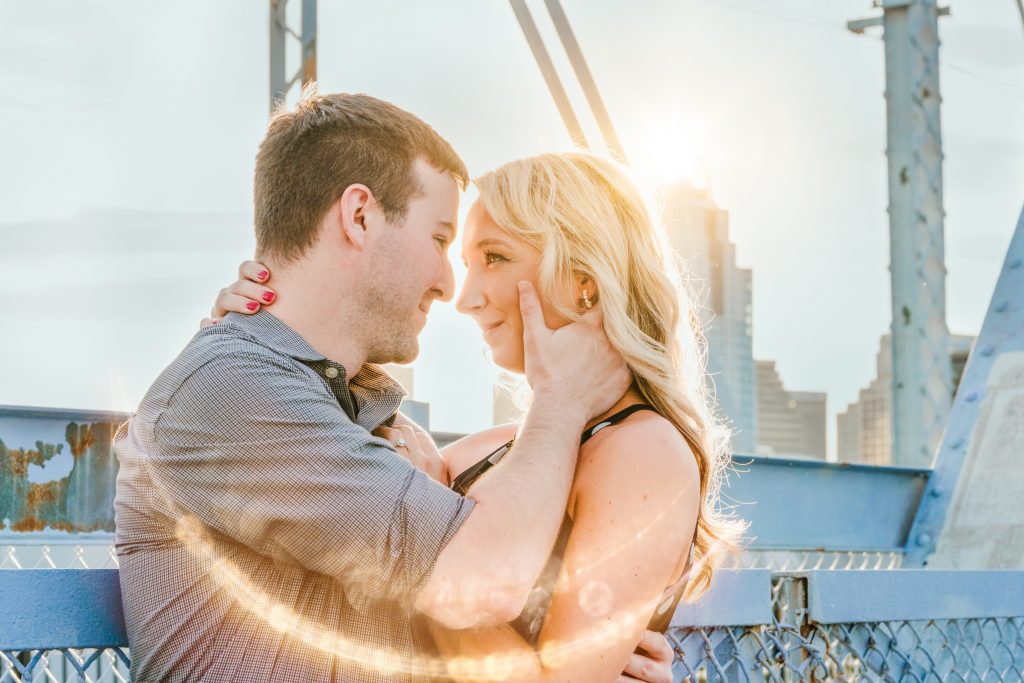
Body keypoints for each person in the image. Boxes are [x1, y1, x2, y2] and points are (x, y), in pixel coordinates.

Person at [115, 91, 676, 683]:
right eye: (440, 239)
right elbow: (480, 583)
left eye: (490, 256)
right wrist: (561, 399)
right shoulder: (229, 391)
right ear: (359, 216)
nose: (450, 286)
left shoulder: (352, 416)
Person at [211, 150, 748, 680]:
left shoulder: (643, 453)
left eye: (493, 258)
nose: (464, 298)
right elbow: (319, 465)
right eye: (466, 263)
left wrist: (430, 585)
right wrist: (259, 323)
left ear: (584, 280)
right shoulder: (496, 447)